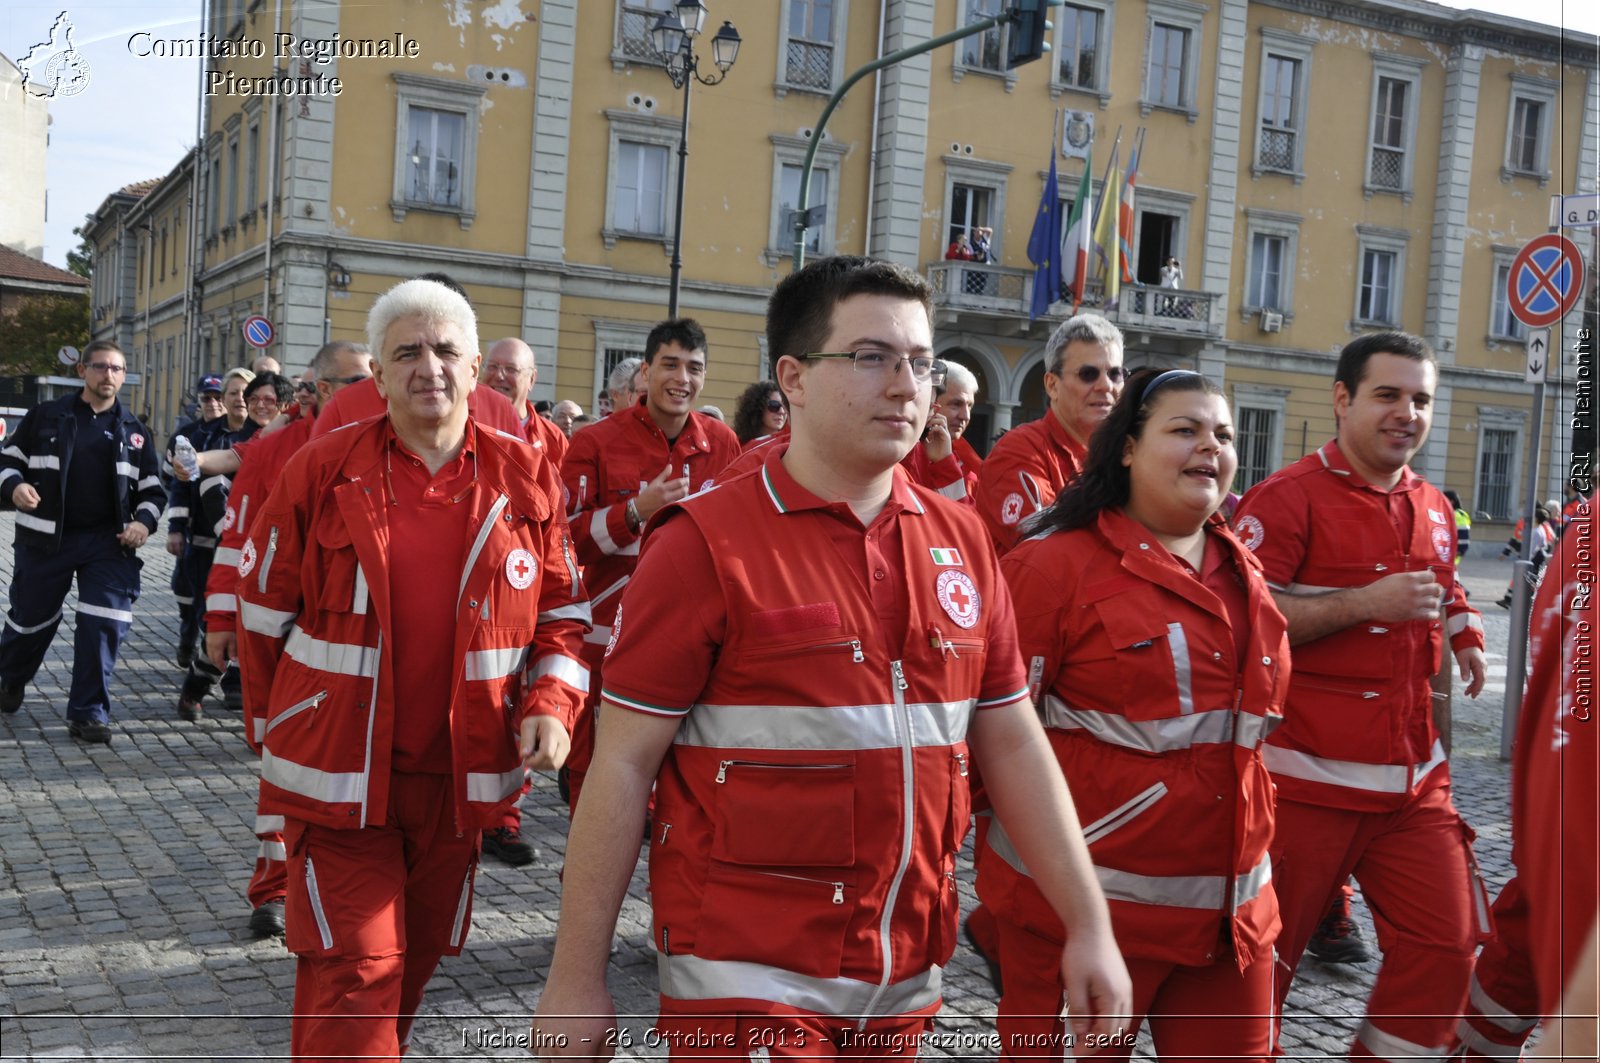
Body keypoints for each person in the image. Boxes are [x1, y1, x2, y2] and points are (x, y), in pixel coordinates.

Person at [534, 255, 1131, 1057]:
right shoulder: (706, 544)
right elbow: (622, 762)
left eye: (920, 361)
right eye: (871, 357)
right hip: (747, 985)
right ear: (794, 378)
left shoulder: (961, 541)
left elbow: (1012, 738)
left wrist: (1088, 920)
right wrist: (576, 976)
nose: (905, 385)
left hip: (901, 985)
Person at [233, 278, 590, 1057]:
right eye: (407, 352)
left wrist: (552, 703)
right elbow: (262, 619)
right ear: (380, 376)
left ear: (473, 371)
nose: (428, 366)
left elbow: (565, 614)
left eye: (445, 350)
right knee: (359, 969)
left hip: (460, 782)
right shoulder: (321, 469)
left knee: (410, 967)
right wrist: (283, 740)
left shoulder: (527, 476)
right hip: (339, 784)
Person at [982, 368, 1285, 1060]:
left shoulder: (1245, 570)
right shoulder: (1052, 568)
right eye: (1184, 430)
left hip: (1231, 927)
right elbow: (993, 744)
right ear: (1126, 447)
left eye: (1224, 434)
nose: (1210, 445)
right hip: (1084, 922)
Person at [1231, 330, 1489, 1060]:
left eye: (1421, 399)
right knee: (1256, 975)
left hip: (1414, 788)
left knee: (1451, 944)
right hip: (1302, 786)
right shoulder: (1285, 499)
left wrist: (1464, 627)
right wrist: (1362, 603)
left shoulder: (1434, 503)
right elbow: (1244, 627)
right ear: (1342, 400)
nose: (1406, 411)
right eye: (1388, 394)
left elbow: (1441, 583)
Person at [201, 342, 372, 940]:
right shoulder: (275, 448)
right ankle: (271, 888)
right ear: (322, 389)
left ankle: (336, 885)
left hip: (358, 649)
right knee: (281, 765)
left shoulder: (389, 442)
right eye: (358, 378)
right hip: (288, 639)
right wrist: (221, 617)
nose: (373, 386)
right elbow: (238, 535)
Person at [558, 319, 740, 814]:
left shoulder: (722, 444)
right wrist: (636, 511)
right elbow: (560, 543)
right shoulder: (595, 442)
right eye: (671, 364)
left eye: (694, 368)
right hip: (606, 640)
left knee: (686, 779)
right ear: (646, 370)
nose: (682, 378)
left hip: (692, 640)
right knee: (597, 775)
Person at [0, 342, 164, 744]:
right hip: (46, 539)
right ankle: (10, 679)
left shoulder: (135, 432)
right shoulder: (46, 416)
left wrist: (143, 524)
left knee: (103, 623)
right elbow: (6, 460)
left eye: (117, 369)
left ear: (124, 376)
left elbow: (155, 491)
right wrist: (16, 486)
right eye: (101, 367)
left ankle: (89, 712)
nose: (109, 375)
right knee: (30, 620)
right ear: (83, 372)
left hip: (109, 544)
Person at [175, 371, 289, 721]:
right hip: (234, 544)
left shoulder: (300, 437)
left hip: (283, 551)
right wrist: (195, 463)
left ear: (284, 405)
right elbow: (223, 462)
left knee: (273, 636)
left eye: (268, 400)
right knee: (222, 629)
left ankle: (259, 706)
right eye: (254, 399)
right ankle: (197, 686)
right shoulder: (248, 441)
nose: (258, 405)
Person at [974, 314, 1125, 552]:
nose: (1106, 386)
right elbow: (1047, 549)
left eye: (1115, 374)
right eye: (1088, 374)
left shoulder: (1126, 454)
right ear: (1052, 386)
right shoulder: (1019, 450)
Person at [168, 373, 226, 669]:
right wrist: (176, 529)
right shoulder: (188, 435)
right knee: (185, 590)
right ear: (199, 401)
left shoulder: (232, 435)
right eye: (207, 397)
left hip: (224, 536)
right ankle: (187, 636)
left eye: (219, 397)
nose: (213, 403)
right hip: (196, 532)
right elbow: (177, 485)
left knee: (212, 601)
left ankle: (209, 659)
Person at [901, 361, 984, 504]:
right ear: (929, 402)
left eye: (969, 406)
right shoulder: (902, 453)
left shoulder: (971, 462)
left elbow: (968, 520)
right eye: (956, 404)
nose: (966, 416)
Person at [482, 336, 569, 465]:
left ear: (532, 379)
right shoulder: (462, 425)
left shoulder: (552, 439)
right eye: (492, 366)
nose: (499, 376)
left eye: (511, 369)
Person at [731, 379, 787, 447]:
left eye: (786, 406)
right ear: (758, 407)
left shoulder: (790, 445)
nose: (782, 411)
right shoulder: (736, 444)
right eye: (774, 405)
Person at [1443, 488, 1471, 565]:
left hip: (1452, 556)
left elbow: (1463, 534)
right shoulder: (1451, 513)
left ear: (1451, 501)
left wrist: (1459, 552)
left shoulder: (1458, 515)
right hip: (1447, 555)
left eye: (1443, 500)